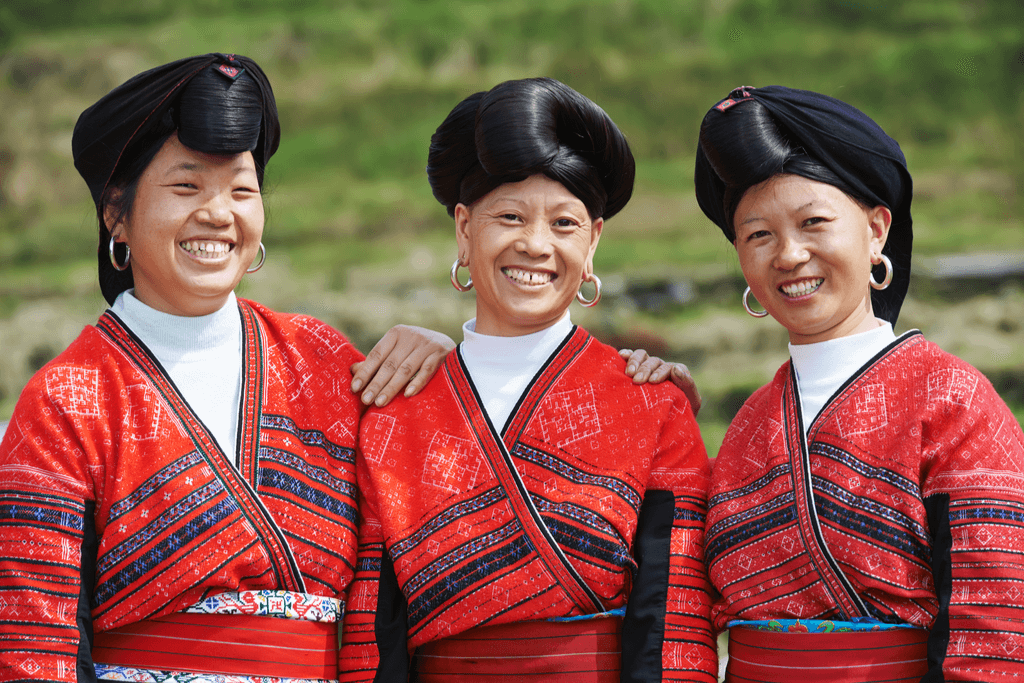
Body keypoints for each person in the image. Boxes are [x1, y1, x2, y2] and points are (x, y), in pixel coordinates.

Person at [0, 53, 455, 682]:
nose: (219, 214)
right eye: (186, 187)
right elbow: (31, 641)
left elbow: (423, 541)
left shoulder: (324, 362)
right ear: (116, 214)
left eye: (241, 190)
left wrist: (444, 373)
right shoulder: (67, 401)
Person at [339, 77, 717, 683]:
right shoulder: (397, 409)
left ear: (594, 241)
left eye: (565, 225)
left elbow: (671, 619)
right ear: (464, 230)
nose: (535, 245)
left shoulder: (651, 406)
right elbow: (372, 629)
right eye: (509, 217)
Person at [693, 85, 1024, 682]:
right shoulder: (746, 427)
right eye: (758, 234)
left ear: (876, 231)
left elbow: (996, 624)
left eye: (814, 222)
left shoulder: (952, 399)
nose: (790, 255)